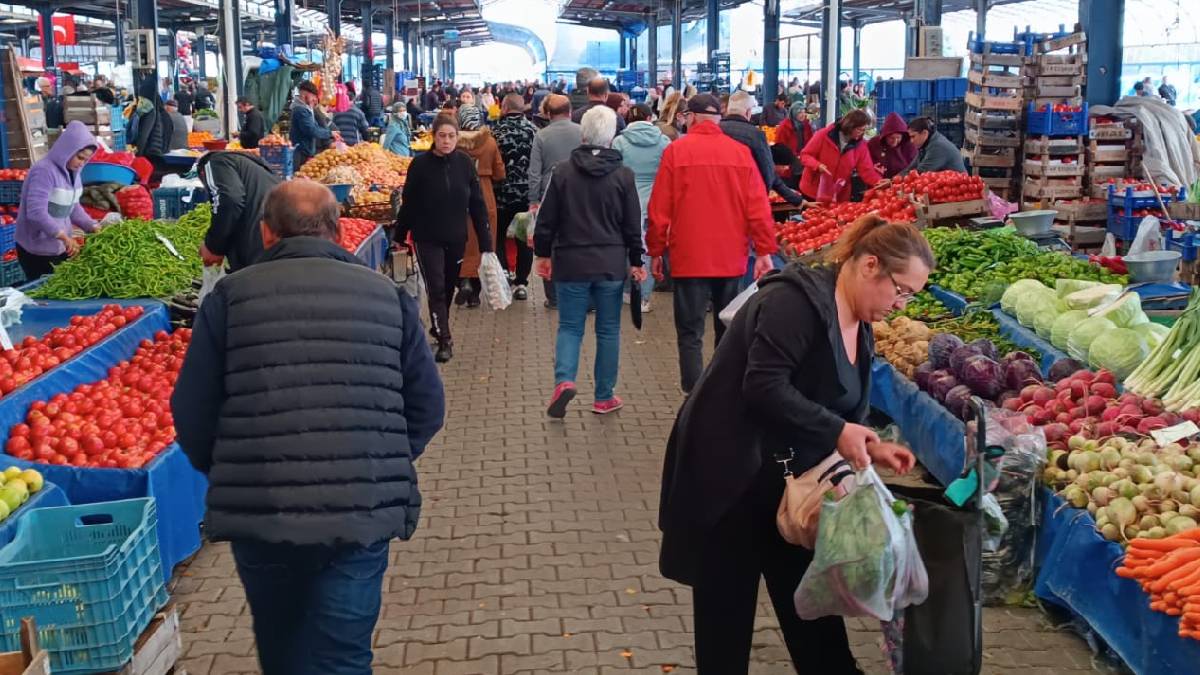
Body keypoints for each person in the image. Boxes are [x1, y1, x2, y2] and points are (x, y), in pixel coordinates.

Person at [173, 180, 445, 675]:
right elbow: (427, 405)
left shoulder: (230, 299)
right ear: (339, 230)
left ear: (265, 232)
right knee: (344, 655)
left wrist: (234, 468)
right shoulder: (388, 297)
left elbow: (192, 411)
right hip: (359, 512)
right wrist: (380, 458)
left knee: (283, 651)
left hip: (264, 512)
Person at [657, 214, 927, 674]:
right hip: (730, 482)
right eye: (901, 290)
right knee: (726, 624)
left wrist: (867, 444)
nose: (901, 304)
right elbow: (763, 387)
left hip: (791, 486)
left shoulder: (858, 320)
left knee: (813, 612)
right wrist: (839, 432)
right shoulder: (792, 303)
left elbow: (838, 399)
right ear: (869, 266)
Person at [646, 93, 779, 394]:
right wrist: (765, 251)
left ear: (690, 117)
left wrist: (655, 250)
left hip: (688, 257)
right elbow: (758, 206)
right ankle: (722, 391)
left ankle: (692, 391)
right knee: (728, 328)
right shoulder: (740, 154)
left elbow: (659, 209)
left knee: (690, 331)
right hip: (731, 258)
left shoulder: (676, 152)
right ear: (718, 118)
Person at [536, 106, 645, 418]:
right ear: (612, 136)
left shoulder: (562, 172)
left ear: (583, 133)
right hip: (610, 264)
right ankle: (603, 396)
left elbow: (547, 220)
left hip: (570, 262)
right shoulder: (624, 176)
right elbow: (632, 224)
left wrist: (543, 254)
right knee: (609, 330)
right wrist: (636, 260)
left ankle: (564, 381)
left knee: (570, 327)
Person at [396, 114, 493, 363]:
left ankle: (440, 325)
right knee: (436, 287)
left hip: (456, 237)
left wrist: (486, 243)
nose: (447, 141)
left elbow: (477, 205)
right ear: (433, 137)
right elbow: (408, 204)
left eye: (451, 136)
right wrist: (399, 237)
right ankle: (444, 339)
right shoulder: (419, 166)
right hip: (426, 237)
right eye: (442, 136)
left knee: (449, 286)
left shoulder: (464, 164)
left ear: (457, 137)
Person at [15, 121, 118, 280]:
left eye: (86, 160)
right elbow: (36, 213)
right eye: (79, 158)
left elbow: (73, 206)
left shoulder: (74, 172)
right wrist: (64, 237)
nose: (82, 163)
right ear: (67, 150)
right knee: (45, 296)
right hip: (36, 249)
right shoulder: (44, 171)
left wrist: (92, 226)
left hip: (59, 246)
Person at [612, 103, 670, 313]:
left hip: (627, 202)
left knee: (628, 246)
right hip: (655, 202)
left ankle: (628, 290)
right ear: (649, 118)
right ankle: (644, 297)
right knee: (649, 249)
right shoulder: (664, 141)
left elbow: (613, 173)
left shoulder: (619, 142)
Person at [528, 94, 583, 309]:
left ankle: (553, 296)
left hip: (547, 193)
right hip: (579, 195)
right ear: (569, 112)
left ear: (548, 114)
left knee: (548, 242)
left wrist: (533, 199)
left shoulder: (541, 136)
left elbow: (534, 172)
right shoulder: (582, 132)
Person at [196, 150, 282, 272]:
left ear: (202, 172)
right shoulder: (257, 169)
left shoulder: (214, 162)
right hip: (277, 240)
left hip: (257, 242)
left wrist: (213, 247)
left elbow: (228, 200)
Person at [455, 115, 506, 307]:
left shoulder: (453, 142)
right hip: (484, 192)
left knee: (461, 240)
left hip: (458, 194)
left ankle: (462, 281)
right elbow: (500, 172)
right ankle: (475, 293)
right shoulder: (490, 142)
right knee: (482, 241)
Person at [493, 94, 538, 300]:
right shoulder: (534, 131)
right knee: (523, 239)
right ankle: (521, 283)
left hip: (501, 195)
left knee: (499, 237)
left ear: (504, 107)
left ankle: (504, 275)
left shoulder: (495, 132)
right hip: (525, 196)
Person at [721, 92, 803, 206]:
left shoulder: (716, 130)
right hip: (745, 199)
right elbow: (767, 171)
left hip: (719, 196)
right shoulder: (755, 135)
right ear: (748, 112)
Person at [798, 109, 883, 202]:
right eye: (859, 129)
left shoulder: (861, 146)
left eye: (864, 130)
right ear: (850, 126)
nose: (861, 133)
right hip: (812, 191)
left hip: (838, 195)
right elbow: (805, 155)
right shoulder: (823, 135)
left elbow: (867, 171)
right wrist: (817, 165)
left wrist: (880, 182)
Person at [290, 80, 339, 169]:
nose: (314, 100)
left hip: (304, 151)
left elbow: (315, 126)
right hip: (301, 153)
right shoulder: (301, 110)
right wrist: (330, 133)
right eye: (313, 97)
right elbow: (311, 130)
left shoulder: (306, 109)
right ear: (305, 94)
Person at [131, 78, 174, 170]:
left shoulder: (150, 112)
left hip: (152, 156)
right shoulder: (165, 114)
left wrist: (138, 155)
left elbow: (143, 136)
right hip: (162, 156)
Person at [868, 112, 918, 179]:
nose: (895, 141)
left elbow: (915, 166)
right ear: (885, 136)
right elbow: (865, 163)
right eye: (891, 138)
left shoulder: (910, 145)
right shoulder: (873, 143)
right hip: (877, 182)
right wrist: (872, 167)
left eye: (898, 138)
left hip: (903, 183)